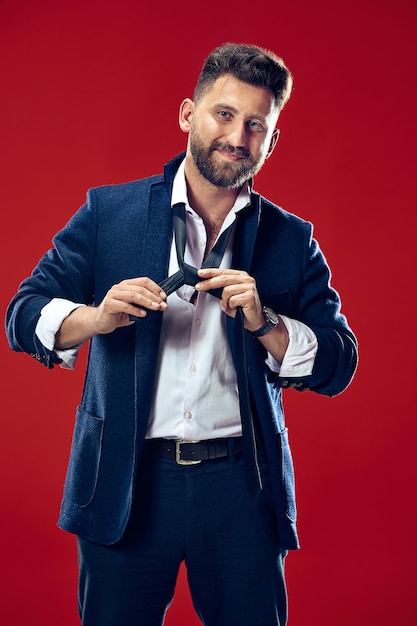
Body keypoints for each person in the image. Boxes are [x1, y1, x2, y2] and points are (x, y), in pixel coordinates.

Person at [5, 43, 358, 626]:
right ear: (187, 114)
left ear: (271, 141)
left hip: (243, 489)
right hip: (125, 482)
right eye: (224, 114)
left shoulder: (292, 240)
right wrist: (95, 318)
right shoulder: (107, 212)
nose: (238, 137)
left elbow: (339, 363)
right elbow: (22, 313)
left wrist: (265, 323)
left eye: (256, 125)